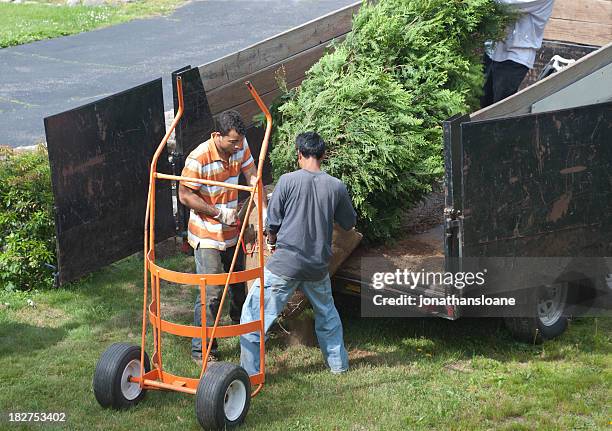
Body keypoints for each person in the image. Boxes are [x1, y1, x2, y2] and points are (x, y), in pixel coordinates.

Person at [240, 131, 357, 376]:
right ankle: (339, 366)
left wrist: (271, 240)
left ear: (299, 154)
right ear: (323, 155)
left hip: (286, 264)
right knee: (327, 315)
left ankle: (249, 374)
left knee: (253, 315)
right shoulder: (336, 186)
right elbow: (348, 223)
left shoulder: (286, 181)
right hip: (317, 267)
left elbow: (272, 222)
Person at [178, 110, 266, 365]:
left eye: (240, 141)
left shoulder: (241, 145)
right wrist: (218, 212)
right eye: (232, 142)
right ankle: (202, 350)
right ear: (217, 136)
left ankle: (243, 332)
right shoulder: (198, 158)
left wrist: (263, 211)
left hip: (233, 230)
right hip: (207, 233)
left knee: (240, 284)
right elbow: (185, 195)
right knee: (212, 291)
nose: (237, 146)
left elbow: (253, 178)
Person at [481, 0, 555, 108]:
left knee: (499, 109)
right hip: (493, 49)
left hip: (515, 56)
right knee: (481, 103)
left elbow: (509, 4)